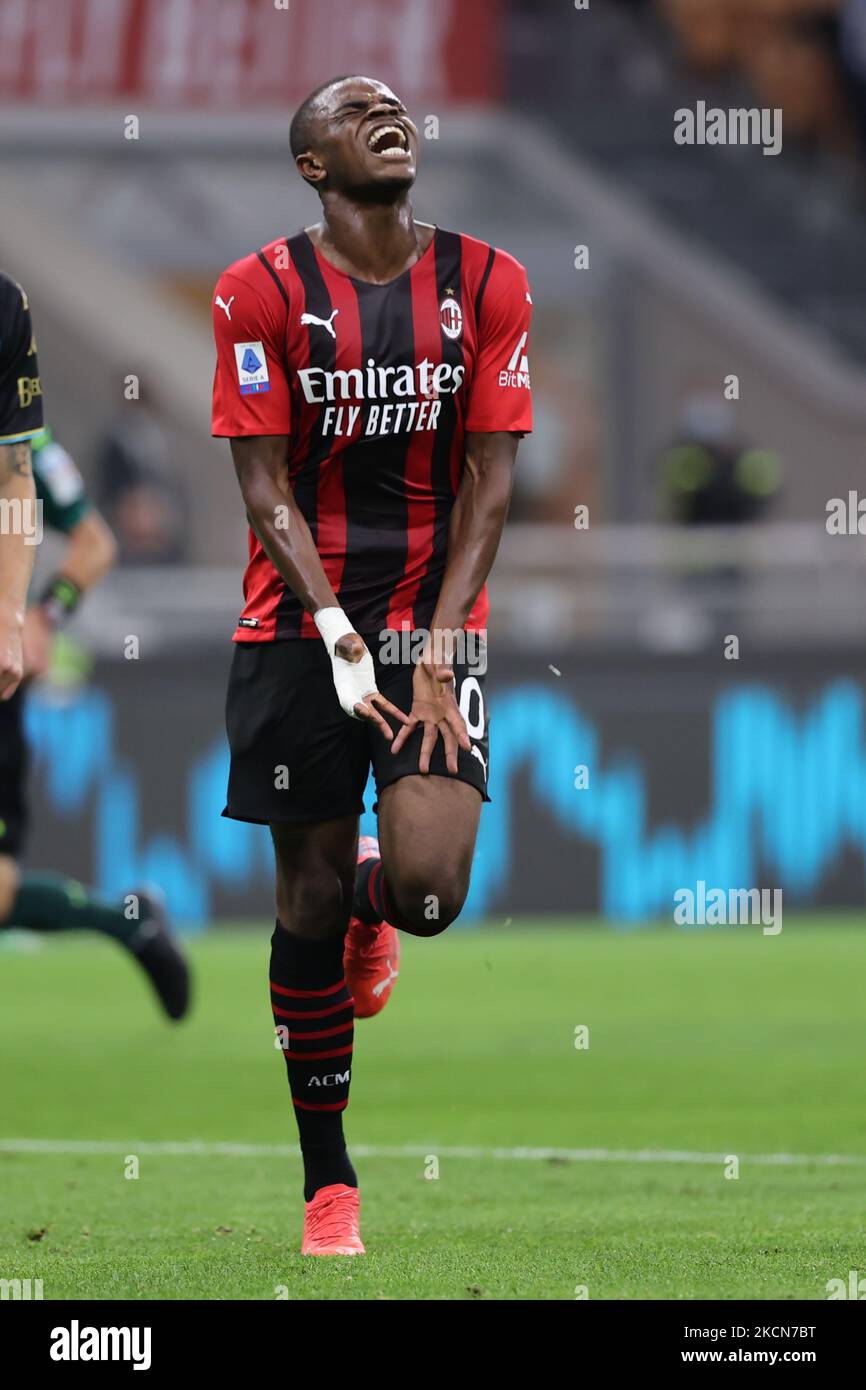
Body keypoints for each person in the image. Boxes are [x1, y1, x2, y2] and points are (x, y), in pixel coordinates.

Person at [211, 75, 532, 1255]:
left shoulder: (490, 282)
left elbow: (493, 484)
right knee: (294, 898)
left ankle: (376, 899)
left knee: (432, 893)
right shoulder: (255, 293)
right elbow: (262, 487)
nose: (383, 112)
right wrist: (336, 633)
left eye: (392, 103)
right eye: (352, 111)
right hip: (297, 627)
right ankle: (327, 1185)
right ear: (311, 164)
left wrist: (435, 650)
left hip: (430, 621)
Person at [0, 272, 190, 1018]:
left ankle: (127, 922)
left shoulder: (33, 450)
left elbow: (94, 544)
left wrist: (39, 615)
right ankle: (126, 922)